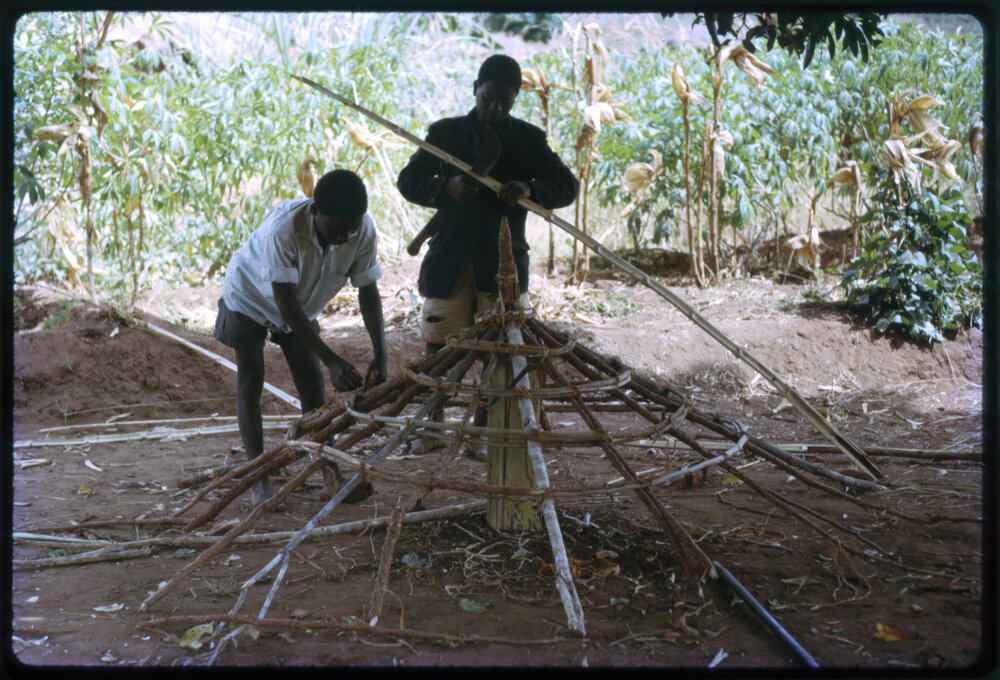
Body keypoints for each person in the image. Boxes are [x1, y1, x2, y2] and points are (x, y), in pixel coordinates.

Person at [397, 54, 578, 456]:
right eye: (489, 98)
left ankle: (480, 433)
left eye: (506, 102)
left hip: (502, 265)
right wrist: (446, 189)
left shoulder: (529, 140)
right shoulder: (443, 133)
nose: (496, 108)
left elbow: (567, 185)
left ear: (515, 99)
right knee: (437, 344)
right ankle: (433, 427)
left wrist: (530, 188)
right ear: (475, 88)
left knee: (497, 348)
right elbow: (407, 180)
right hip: (449, 260)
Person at [213, 169, 387, 506]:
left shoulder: (361, 229)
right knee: (251, 382)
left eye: (351, 230)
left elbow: (368, 290)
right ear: (316, 210)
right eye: (337, 229)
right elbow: (285, 303)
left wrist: (381, 354)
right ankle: (259, 479)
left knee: (313, 386)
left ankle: (331, 473)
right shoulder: (286, 228)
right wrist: (332, 359)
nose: (344, 237)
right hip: (249, 297)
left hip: (299, 308)